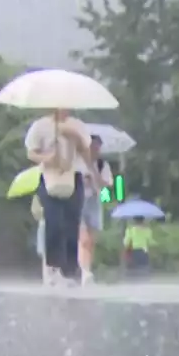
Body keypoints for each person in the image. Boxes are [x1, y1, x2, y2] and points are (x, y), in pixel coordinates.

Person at [25, 109, 90, 287]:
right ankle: (53, 267)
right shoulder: (40, 126)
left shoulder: (77, 125)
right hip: (49, 176)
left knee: (72, 223)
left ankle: (71, 269)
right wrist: (46, 157)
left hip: (73, 176)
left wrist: (75, 137)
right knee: (53, 221)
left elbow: (86, 151)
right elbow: (31, 152)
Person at [78, 135, 113, 284]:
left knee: (91, 240)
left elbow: (108, 185)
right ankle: (84, 271)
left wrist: (94, 174)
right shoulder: (77, 163)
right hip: (78, 201)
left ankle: (87, 269)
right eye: (92, 146)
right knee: (83, 238)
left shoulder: (101, 164)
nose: (95, 149)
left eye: (98, 147)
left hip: (95, 200)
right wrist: (83, 180)